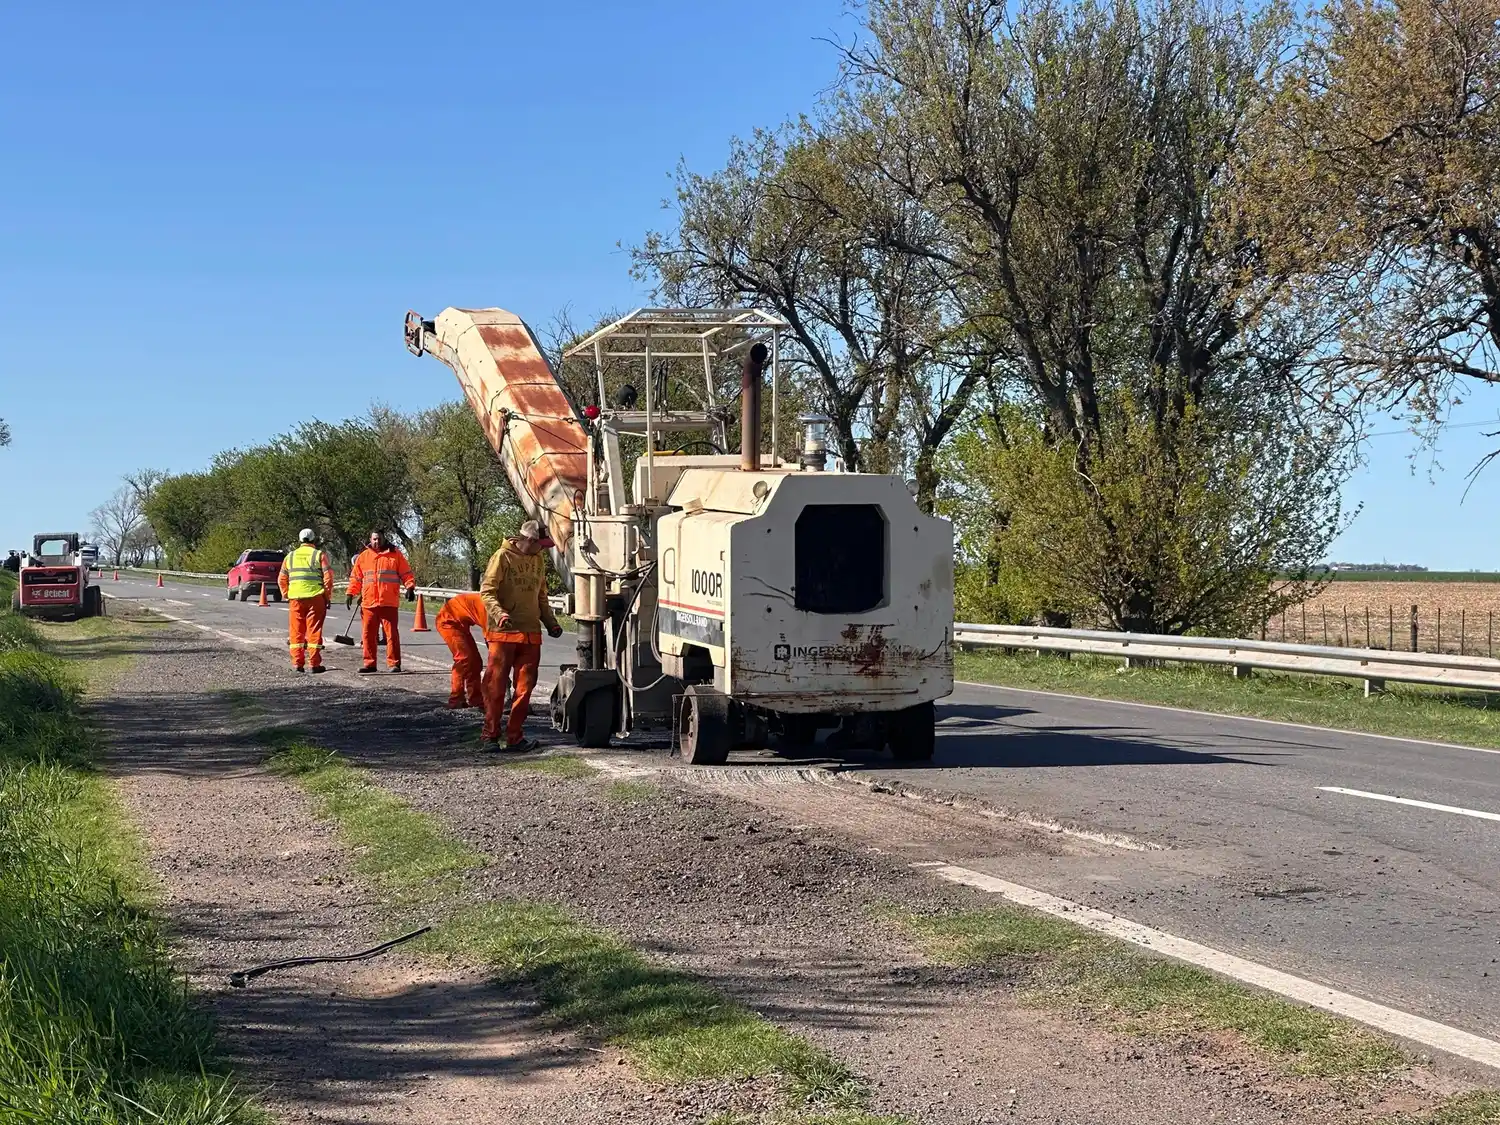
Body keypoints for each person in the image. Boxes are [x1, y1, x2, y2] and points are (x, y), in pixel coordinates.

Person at [479, 520, 563, 751]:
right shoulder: (502, 557)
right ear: (529, 540)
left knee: (525, 689)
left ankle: (515, 737)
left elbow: (541, 596)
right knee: (496, 688)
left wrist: (551, 623)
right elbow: (487, 592)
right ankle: (490, 736)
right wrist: (500, 614)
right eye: (541, 545)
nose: (544, 550)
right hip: (503, 634)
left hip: (530, 635)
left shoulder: (537, 560)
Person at [346, 529, 416, 673]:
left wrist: (410, 587)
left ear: (384, 539)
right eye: (374, 539)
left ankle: (394, 664)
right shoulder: (364, 556)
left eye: (379, 539)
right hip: (369, 603)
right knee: (368, 635)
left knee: (391, 635)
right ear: (370, 540)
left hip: (388, 602)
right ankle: (370, 664)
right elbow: (356, 578)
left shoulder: (395, 554)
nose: (376, 542)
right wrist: (350, 593)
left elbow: (406, 572)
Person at [278, 528, 334, 673]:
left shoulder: (290, 556)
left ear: (300, 540)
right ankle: (314, 664)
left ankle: (297, 663)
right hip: (316, 598)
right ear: (314, 540)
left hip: (296, 598)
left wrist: (286, 594)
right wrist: (327, 596)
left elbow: (281, 579)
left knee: (296, 631)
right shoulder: (319, 555)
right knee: (314, 631)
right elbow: (328, 577)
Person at [435, 591, 488, 710]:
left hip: (461, 624)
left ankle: (476, 699)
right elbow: (491, 639)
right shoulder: (488, 608)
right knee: (464, 659)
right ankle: (456, 699)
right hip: (448, 622)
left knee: (475, 662)